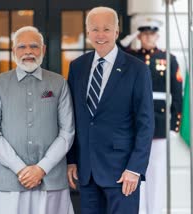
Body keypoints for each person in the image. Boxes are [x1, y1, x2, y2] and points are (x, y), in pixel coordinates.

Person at [66, 7, 154, 214]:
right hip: (86, 172)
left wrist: (135, 168)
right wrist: (71, 160)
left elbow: (146, 123)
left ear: (117, 31)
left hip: (123, 172)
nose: (100, 35)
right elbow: (73, 118)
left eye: (106, 29)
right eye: (95, 29)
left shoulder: (137, 69)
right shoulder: (77, 67)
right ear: (87, 33)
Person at [0, 26, 75, 214]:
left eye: (34, 46)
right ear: (13, 51)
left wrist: (41, 168)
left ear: (43, 49)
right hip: (7, 181)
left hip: (50, 179)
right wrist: (20, 169)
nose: (28, 52)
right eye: (22, 47)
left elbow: (67, 132)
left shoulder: (59, 83)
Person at [120, 17, 183, 214]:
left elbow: (177, 94)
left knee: (156, 172)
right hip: (134, 123)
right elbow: (115, 50)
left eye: (152, 34)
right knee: (135, 170)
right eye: (145, 34)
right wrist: (129, 38)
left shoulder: (168, 59)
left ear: (157, 35)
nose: (149, 37)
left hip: (159, 123)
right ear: (140, 35)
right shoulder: (131, 56)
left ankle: (154, 210)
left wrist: (174, 125)